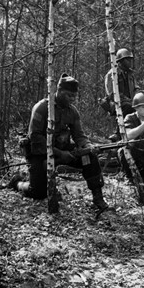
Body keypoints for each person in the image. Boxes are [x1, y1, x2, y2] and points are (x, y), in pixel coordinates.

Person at [10, 74, 110, 215]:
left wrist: (88, 146)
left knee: (89, 158)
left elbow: (79, 135)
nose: (72, 99)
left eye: (74, 96)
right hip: (40, 152)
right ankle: (17, 182)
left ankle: (98, 199)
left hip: (63, 151)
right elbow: (35, 137)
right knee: (38, 193)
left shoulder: (72, 111)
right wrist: (58, 153)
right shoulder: (42, 108)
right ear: (59, 91)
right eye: (69, 95)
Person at [104, 48, 140, 141]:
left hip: (130, 101)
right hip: (115, 102)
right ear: (120, 61)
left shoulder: (131, 74)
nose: (130, 62)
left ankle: (136, 132)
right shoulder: (112, 74)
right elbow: (112, 93)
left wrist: (139, 97)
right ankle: (118, 133)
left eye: (130, 59)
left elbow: (136, 87)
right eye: (127, 60)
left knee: (141, 107)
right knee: (127, 107)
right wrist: (128, 100)